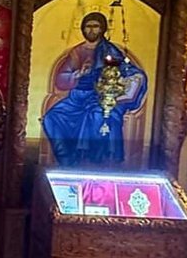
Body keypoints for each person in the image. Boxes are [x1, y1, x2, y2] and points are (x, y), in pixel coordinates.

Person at [41, 12, 147, 166]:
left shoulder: (109, 50)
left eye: (95, 26)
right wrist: (78, 74)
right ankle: (67, 161)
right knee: (51, 117)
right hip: (77, 98)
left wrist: (133, 78)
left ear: (102, 28)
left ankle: (94, 161)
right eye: (88, 26)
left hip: (99, 96)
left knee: (96, 115)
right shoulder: (76, 52)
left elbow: (126, 70)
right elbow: (61, 80)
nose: (91, 30)